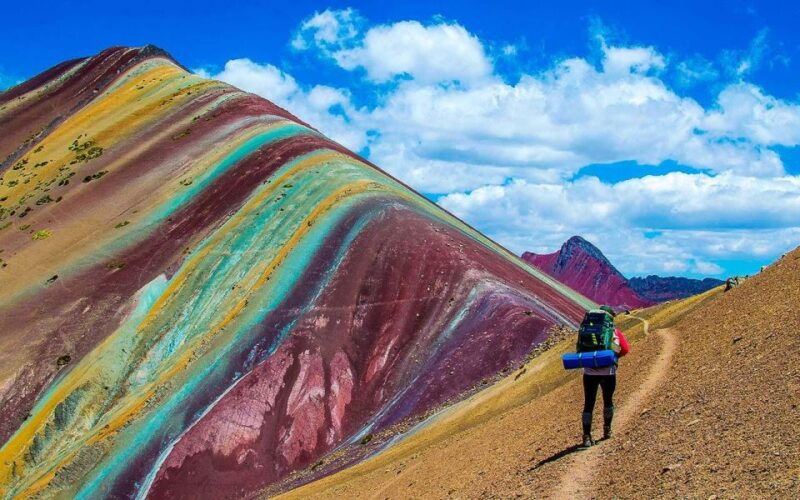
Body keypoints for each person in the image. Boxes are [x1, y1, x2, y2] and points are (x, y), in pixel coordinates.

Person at [581, 305, 630, 448]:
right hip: (608, 372)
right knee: (608, 401)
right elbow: (625, 349)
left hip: (589, 373)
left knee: (588, 404)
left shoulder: (588, 331)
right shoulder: (614, 332)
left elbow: (581, 349)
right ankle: (607, 430)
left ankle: (586, 436)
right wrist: (613, 357)